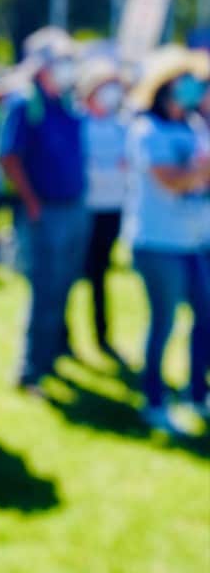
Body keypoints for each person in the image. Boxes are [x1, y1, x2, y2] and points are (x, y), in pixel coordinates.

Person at [122, 45, 210, 430]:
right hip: (157, 244)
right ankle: (154, 400)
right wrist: (198, 171)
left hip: (193, 242)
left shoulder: (193, 126)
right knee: (164, 322)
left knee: (205, 318)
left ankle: (197, 393)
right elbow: (170, 180)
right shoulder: (147, 129)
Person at [0, 28, 88, 392]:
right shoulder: (23, 103)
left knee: (63, 286)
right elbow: (8, 156)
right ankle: (31, 369)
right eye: (60, 60)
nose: (67, 68)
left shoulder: (66, 102)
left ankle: (51, 357)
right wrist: (32, 203)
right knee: (44, 289)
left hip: (73, 208)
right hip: (44, 212)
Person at [77, 58, 128, 360]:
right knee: (72, 274)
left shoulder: (121, 125)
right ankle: (61, 336)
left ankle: (102, 334)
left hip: (113, 209)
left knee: (100, 274)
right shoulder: (80, 122)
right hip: (85, 210)